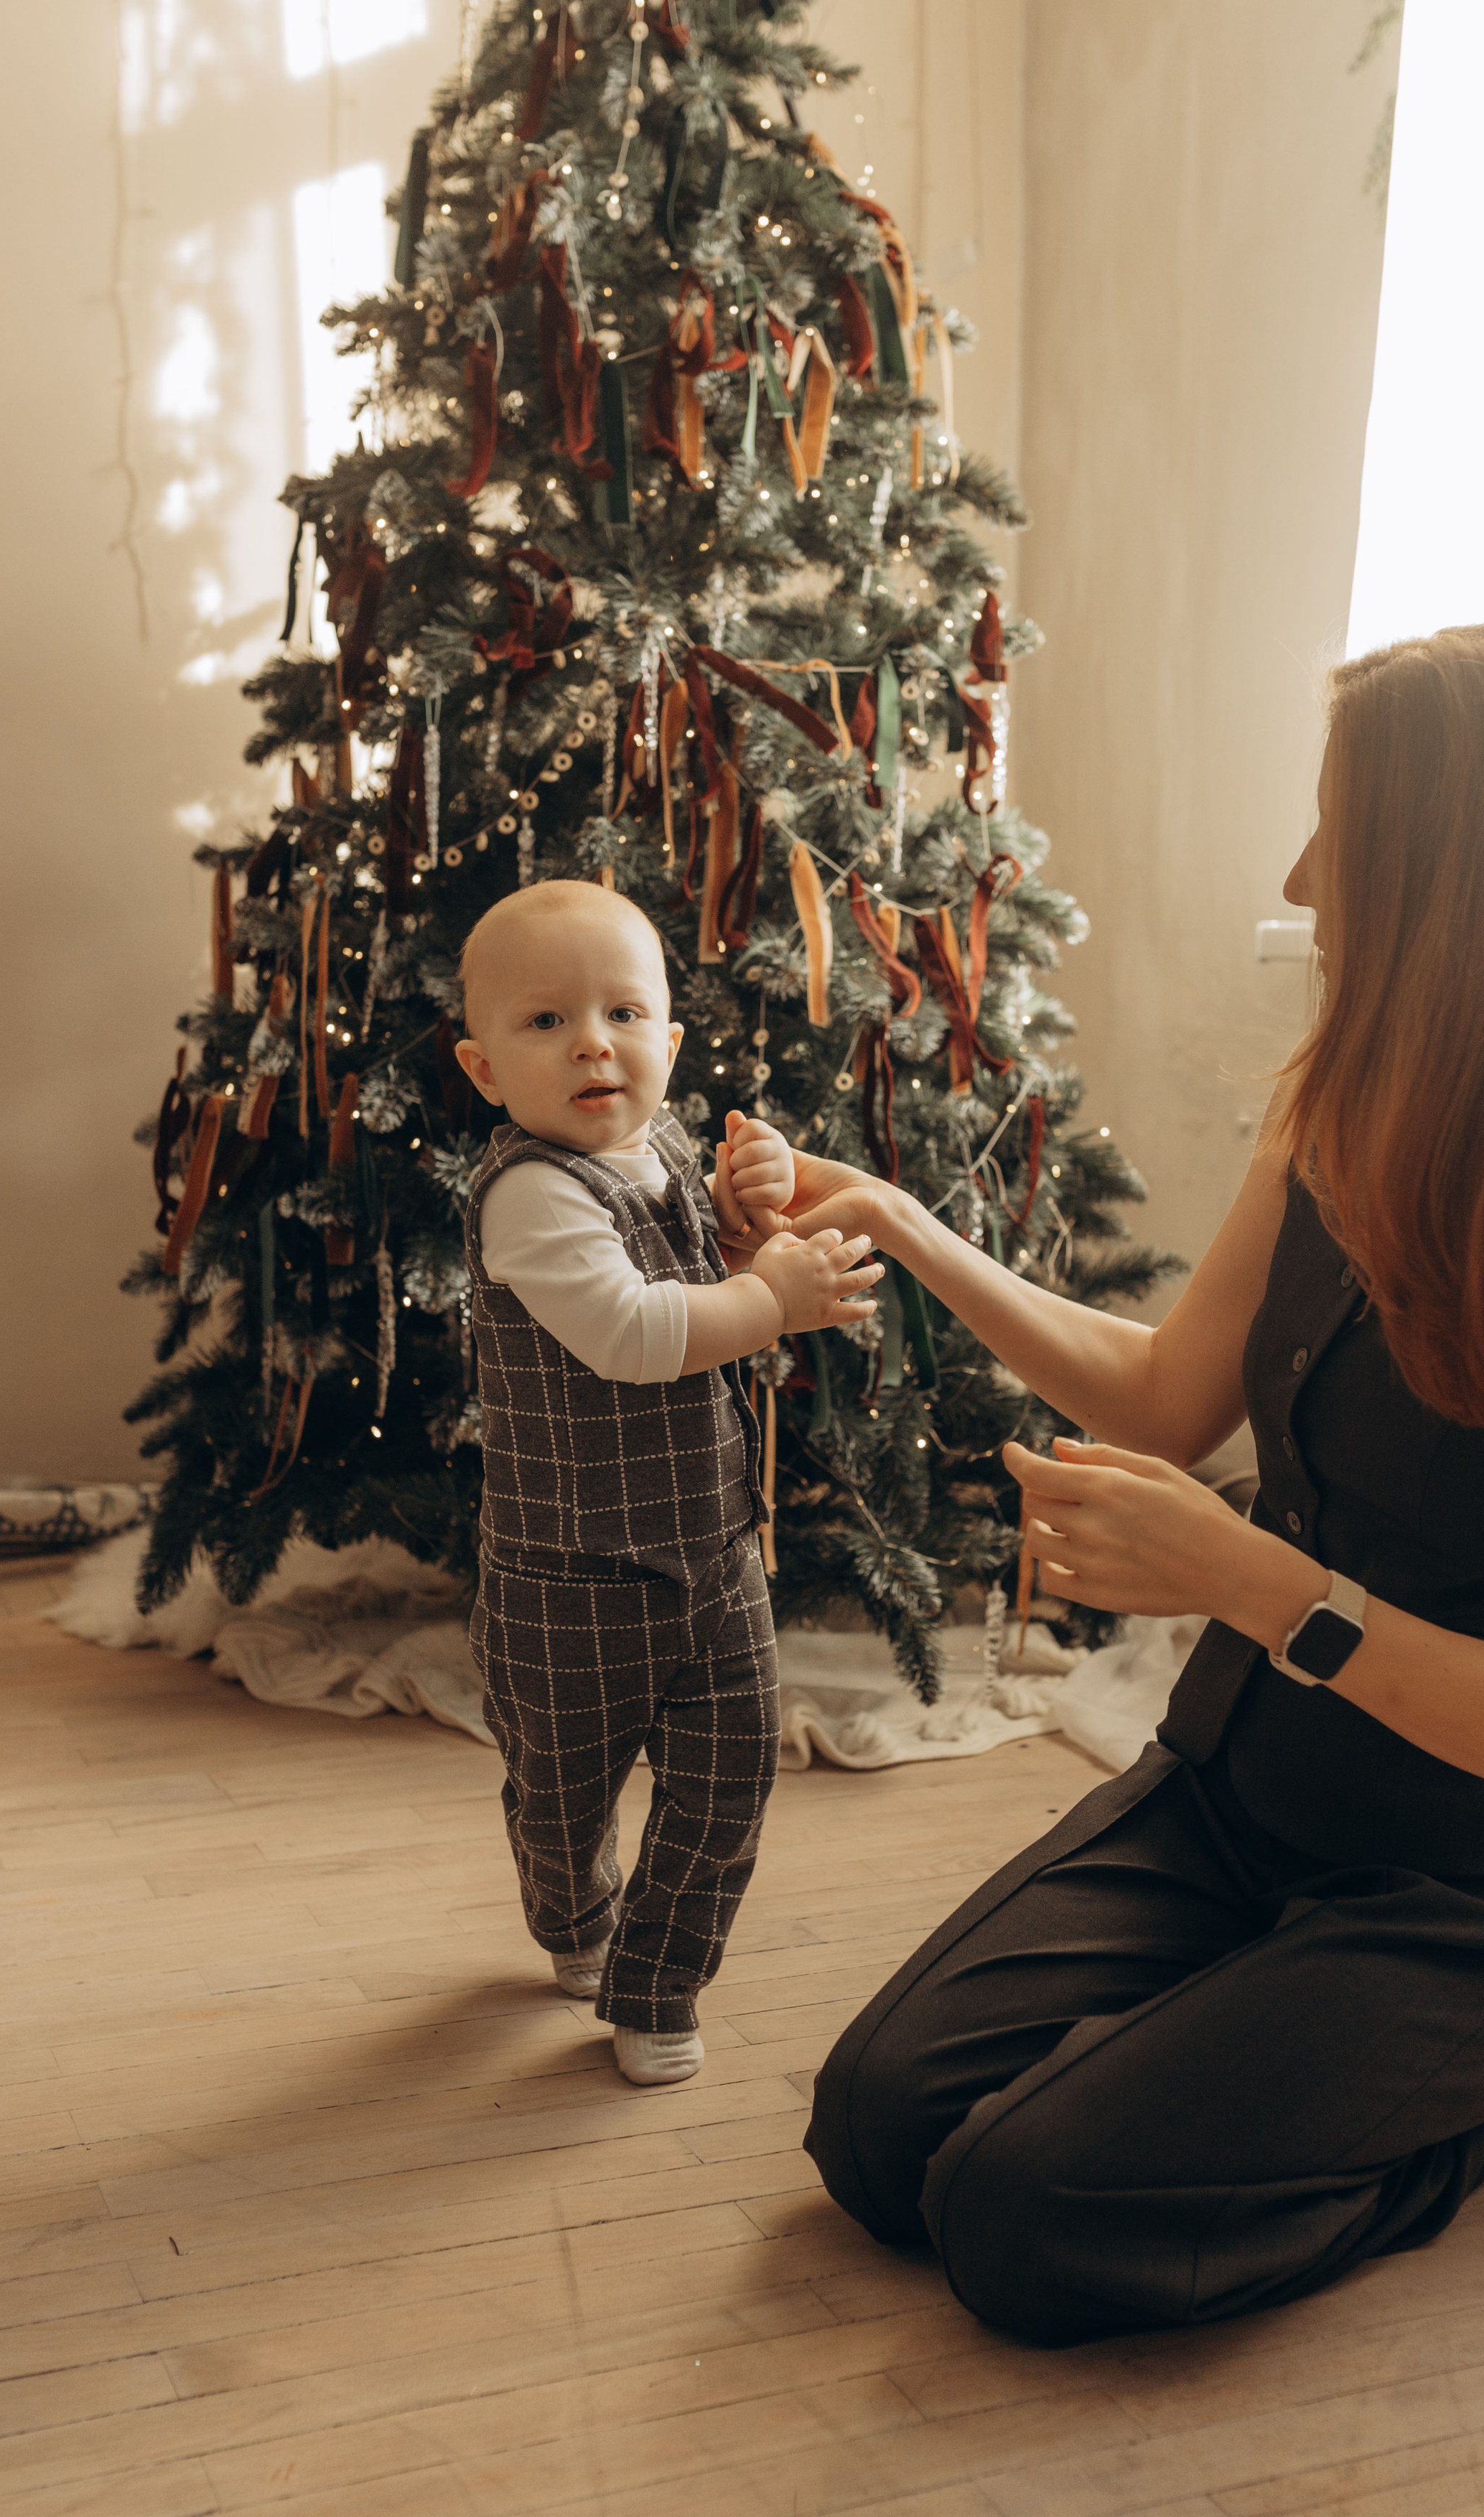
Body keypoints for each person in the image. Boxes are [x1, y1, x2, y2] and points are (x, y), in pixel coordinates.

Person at [786, 623, 1484, 2342]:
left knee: (1015, 2220)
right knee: (879, 2133)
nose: (1297, 870)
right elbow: (1160, 1392)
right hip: (1237, 1798)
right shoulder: (1340, 1106)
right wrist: (902, 1226)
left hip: (1476, 1888)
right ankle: (1256, 2028)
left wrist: (1249, 1582)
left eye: (1336, 824)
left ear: (1459, 873)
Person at [454, 880, 881, 2085]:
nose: (594, 1041)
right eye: (547, 1023)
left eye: (624, 1012)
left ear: (669, 1042)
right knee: (562, 1791)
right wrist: (770, 1299)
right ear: (486, 1069)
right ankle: (573, 1909)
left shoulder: (669, 1152)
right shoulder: (532, 1194)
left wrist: (752, 1222)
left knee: (729, 1775)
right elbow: (638, 1334)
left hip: (710, 1550)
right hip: (571, 1577)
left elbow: (713, 1276)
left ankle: (659, 1982)